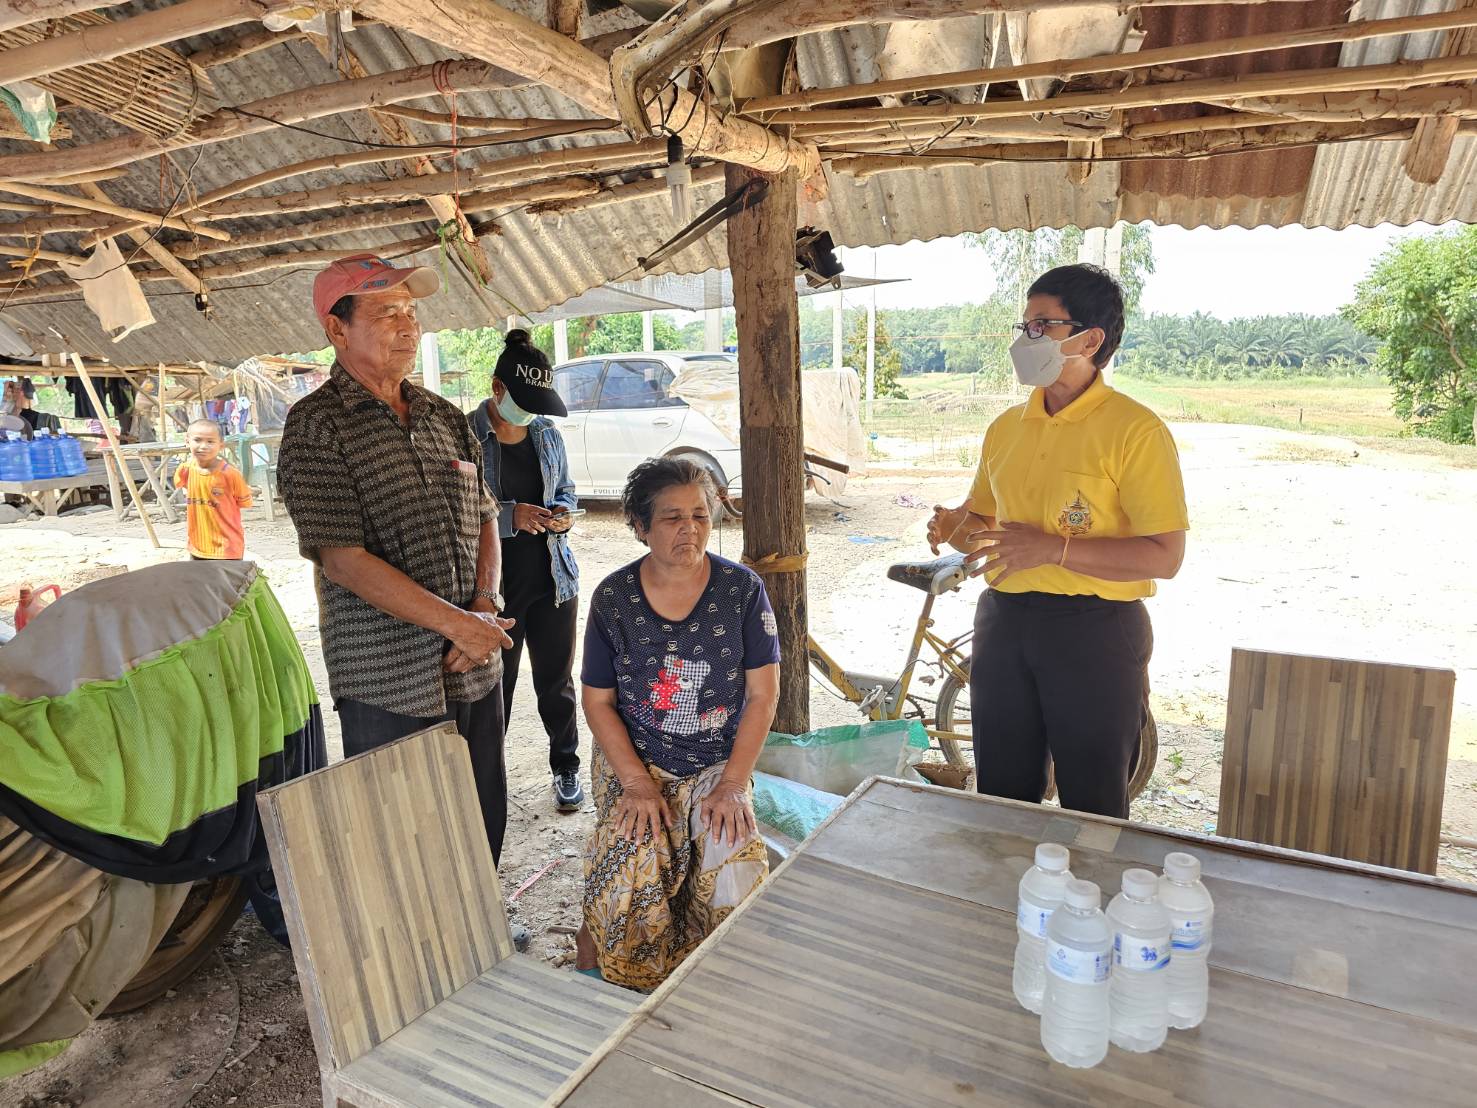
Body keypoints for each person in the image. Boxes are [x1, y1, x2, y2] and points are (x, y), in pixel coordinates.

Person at [276, 254, 517, 873]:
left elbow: (487, 515)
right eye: (387, 313)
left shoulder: (442, 417)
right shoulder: (316, 427)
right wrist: (455, 624)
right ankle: (423, 959)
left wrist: (483, 606)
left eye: (411, 312)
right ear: (337, 330)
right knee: (404, 826)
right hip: (387, 675)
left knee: (481, 804)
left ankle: (481, 926)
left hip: (472, 657)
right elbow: (344, 561)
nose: (409, 327)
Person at [928, 264, 1188, 820]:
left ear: (1090, 339)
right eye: (1025, 326)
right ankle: (1007, 901)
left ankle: (1089, 900)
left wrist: (1054, 549)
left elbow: (1165, 556)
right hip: (1003, 621)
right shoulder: (1007, 427)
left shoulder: (1135, 431)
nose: (1028, 339)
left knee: (1091, 801)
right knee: (1002, 790)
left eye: (1043, 325)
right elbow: (986, 525)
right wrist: (955, 525)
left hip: (1095, 631)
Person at [577, 457, 780, 990]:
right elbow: (597, 702)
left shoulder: (742, 591)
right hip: (638, 760)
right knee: (633, 874)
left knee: (733, 869)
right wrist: (637, 783)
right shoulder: (614, 599)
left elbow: (762, 696)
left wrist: (733, 785)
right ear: (641, 527)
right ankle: (625, 992)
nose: (689, 529)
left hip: (718, 762)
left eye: (700, 515)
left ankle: (713, 994)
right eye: (670, 518)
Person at [470, 329, 584, 813]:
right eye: (523, 400)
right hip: (494, 592)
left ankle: (566, 769)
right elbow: (453, 515)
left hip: (554, 580)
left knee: (556, 684)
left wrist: (561, 513)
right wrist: (509, 515)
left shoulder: (546, 435)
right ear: (498, 389)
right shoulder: (464, 436)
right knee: (496, 688)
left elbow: (569, 492)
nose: (531, 411)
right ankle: (487, 783)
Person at [174, 419, 253, 561]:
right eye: (197, 440)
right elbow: (184, 485)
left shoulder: (230, 475)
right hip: (197, 546)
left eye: (210, 442)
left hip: (226, 547)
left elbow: (245, 502)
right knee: (200, 583)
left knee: (226, 583)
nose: (203, 446)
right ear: (187, 441)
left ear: (221, 445)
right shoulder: (185, 470)